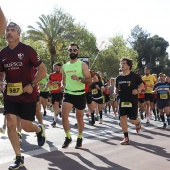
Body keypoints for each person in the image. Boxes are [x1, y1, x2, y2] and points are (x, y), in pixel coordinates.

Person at [0, 22, 47, 170]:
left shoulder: (27, 50)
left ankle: (39, 129)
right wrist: (1, 82)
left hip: (27, 94)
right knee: (11, 124)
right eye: (7, 30)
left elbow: (43, 70)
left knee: (26, 126)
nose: (9, 32)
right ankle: (19, 157)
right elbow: (1, 73)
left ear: (19, 34)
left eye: (12, 30)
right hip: (10, 94)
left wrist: (32, 85)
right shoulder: (2, 53)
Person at [61, 43, 91, 149]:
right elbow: (63, 80)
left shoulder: (82, 65)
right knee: (64, 116)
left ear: (78, 52)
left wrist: (79, 78)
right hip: (68, 93)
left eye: (74, 50)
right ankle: (68, 137)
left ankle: (79, 137)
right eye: (70, 50)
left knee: (79, 118)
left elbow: (89, 80)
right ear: (68, 52)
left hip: (80, 94)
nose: (72, 52)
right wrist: (61, 85)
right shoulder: (64, 66)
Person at [115, 57, 144, 145]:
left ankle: (138, 123)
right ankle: (126, 138)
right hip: (122, 100)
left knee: (132, 120)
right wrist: (114, 92)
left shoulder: (134, 76)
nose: (122, 65)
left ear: (128, 66)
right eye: (121, 63)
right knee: (122, 118)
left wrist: (138, 90)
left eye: (124, 63)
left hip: (132, 100)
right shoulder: (118, 78)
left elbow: (142, 85)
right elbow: (116, 89)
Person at [45, 62, 63, 127]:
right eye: (56, 68)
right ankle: (60, 111)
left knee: (56, 104)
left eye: (59, 68)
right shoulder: (51, 75)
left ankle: (54, 121)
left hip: (59, 92)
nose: (57, 69)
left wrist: (61, 85)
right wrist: (46, 87)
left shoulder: (62, 75)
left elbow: (65, 82)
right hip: (53, 92)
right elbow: (49, 82)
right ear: (54, 68)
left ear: (60, 68)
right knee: (55, 106)